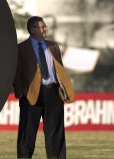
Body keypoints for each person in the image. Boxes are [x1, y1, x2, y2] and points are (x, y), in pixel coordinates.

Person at [13, 16, 74, 159]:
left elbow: (59, 69)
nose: (45, 29)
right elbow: (16, 73)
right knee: (27, 134)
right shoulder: (21, 48)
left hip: (54, 93)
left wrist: (62, 88)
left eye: (45, 26)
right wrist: (21, 93)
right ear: (32, 29)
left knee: (55, 136)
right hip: (31, 95)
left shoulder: (54, 46)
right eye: (42, 26)